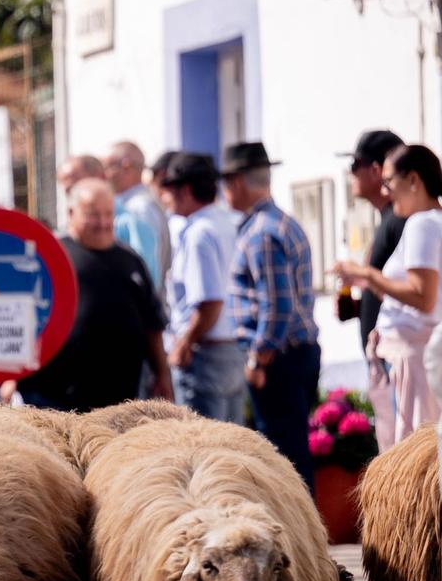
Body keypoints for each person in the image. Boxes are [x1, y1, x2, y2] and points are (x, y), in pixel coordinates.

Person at [14, 179, 172, 412]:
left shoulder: (131, 260)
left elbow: (152, 324)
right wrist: (12, 377)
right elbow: (23, 321)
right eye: (93, 214)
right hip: (56, 401)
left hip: (120, 403)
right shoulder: (51, 258)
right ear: (71, 213)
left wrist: (162, 373)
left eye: (108, 213)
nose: (103, 222)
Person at [219, 141, 320, 481]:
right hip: (292, 354)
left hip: (278, 359)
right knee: (291, 451)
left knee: (283, 457)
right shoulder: (280, 223)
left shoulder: (261, 232)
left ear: (237, 182)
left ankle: (299, 532)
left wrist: (258, 359)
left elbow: (277, 306)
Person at [336, 143, 442, 448]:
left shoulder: (422, 223)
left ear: (414, 180)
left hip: (411, 363)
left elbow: (423, 296)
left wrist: (368, 274)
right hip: (418, 359)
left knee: (409, 463)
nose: (386, 191)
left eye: (389, 181)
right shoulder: (433, 221)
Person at [156, 152, 244, 424]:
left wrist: (184, 343)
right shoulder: (227, 221)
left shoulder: (198, 233)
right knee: (230, 448)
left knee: (204, 450)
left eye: (168, 189)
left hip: (206, 353)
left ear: (185, 190)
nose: (164, 197)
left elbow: (210, 302)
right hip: (231, 350)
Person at [345, 130, 406, 362]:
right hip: (386, 353)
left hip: (397, 355)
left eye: (354, 164)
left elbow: (417, 290)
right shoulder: (390, 218)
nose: (350, 173)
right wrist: (362, 303)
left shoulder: (400, 219)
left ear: (376, 170)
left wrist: (364, 275)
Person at [105, 140, 169, 286]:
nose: (104, 175)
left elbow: (145, 265)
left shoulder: (139, 208)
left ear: (126, 166)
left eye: (107, 167)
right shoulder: (131, 205)